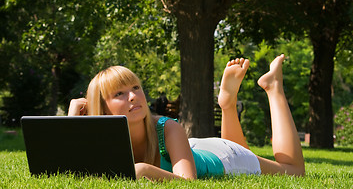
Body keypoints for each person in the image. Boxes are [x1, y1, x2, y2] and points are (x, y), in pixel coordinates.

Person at [68, 54, 305, 180]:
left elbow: (188, 183)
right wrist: (72, 116)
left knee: (293, 170)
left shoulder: (166, 127)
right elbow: (73, 170)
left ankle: (273, 87)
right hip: (192, 149)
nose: (132, 97)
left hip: (224, 159)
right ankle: (227, 103)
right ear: (103, 107)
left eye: (136, 88)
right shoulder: (104, 139)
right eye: (119, 93)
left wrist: (143, 170)